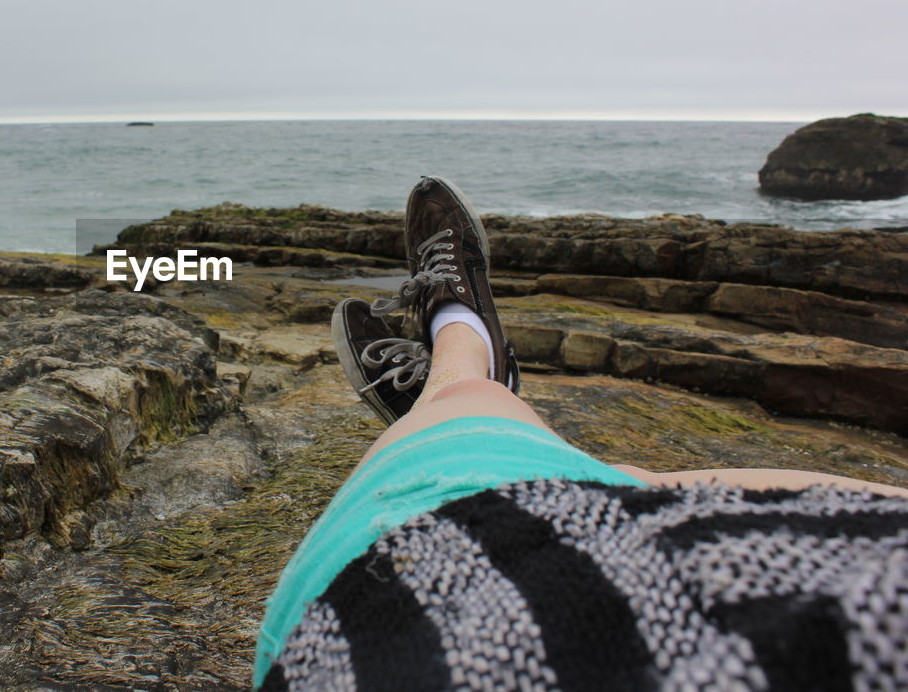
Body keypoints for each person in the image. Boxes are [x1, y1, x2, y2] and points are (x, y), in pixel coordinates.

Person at [254, 176, 908, 691]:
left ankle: (459, 362)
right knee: (628, 493)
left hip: (374, 642)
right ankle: (465, 368)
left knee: (507, 463)